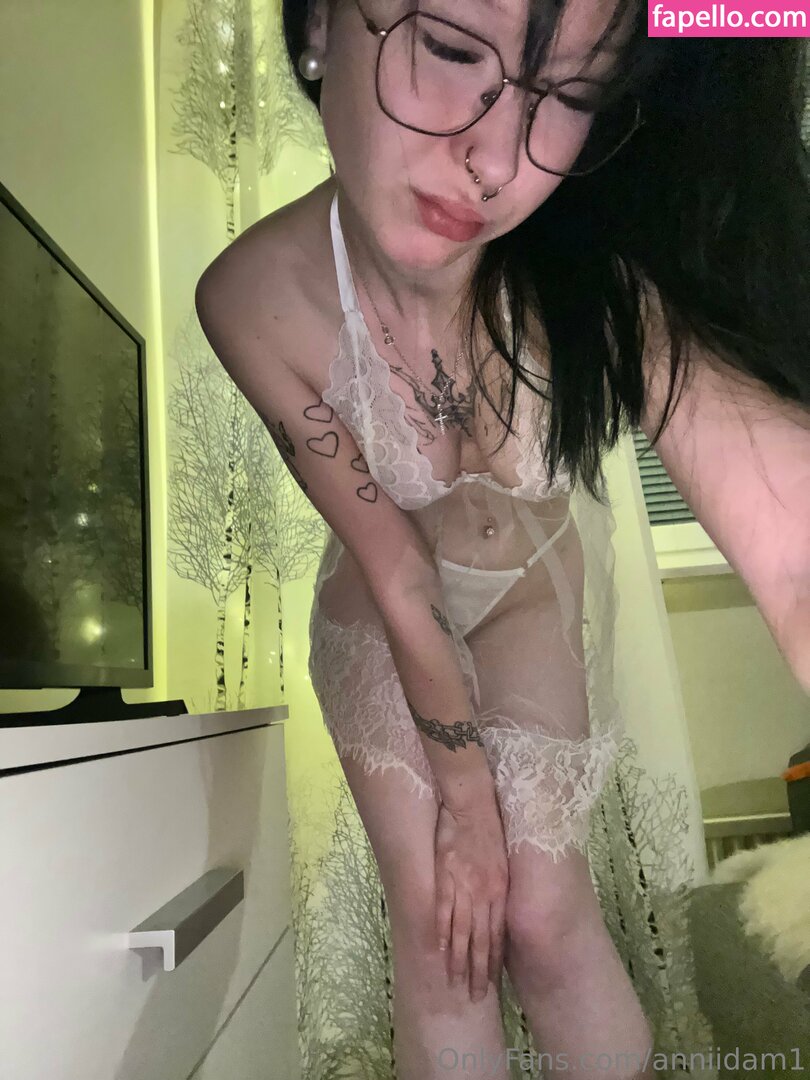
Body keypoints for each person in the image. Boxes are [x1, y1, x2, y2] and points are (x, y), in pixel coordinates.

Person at [194, 1, 810, 1076]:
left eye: (569, 95)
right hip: (382, 605)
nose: (494, 160)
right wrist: (464, 807)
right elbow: (395, 565)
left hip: (531, 583)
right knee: (445, 930)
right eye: (448, 48)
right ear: (319, 23)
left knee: (542, 914)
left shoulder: (597, 253)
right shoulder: (253, 293)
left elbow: (790, 539)